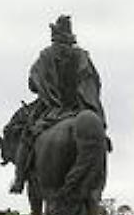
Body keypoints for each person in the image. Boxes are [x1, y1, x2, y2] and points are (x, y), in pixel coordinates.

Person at [9, 14, 106, 194]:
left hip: (51, 109)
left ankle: (19, 179)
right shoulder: (82, 56)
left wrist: (47, 88)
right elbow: (93, 82)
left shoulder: (46, 55)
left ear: (54, 35)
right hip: (80, 108)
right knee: (98, 137)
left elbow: (32, 84)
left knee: (27, 136)